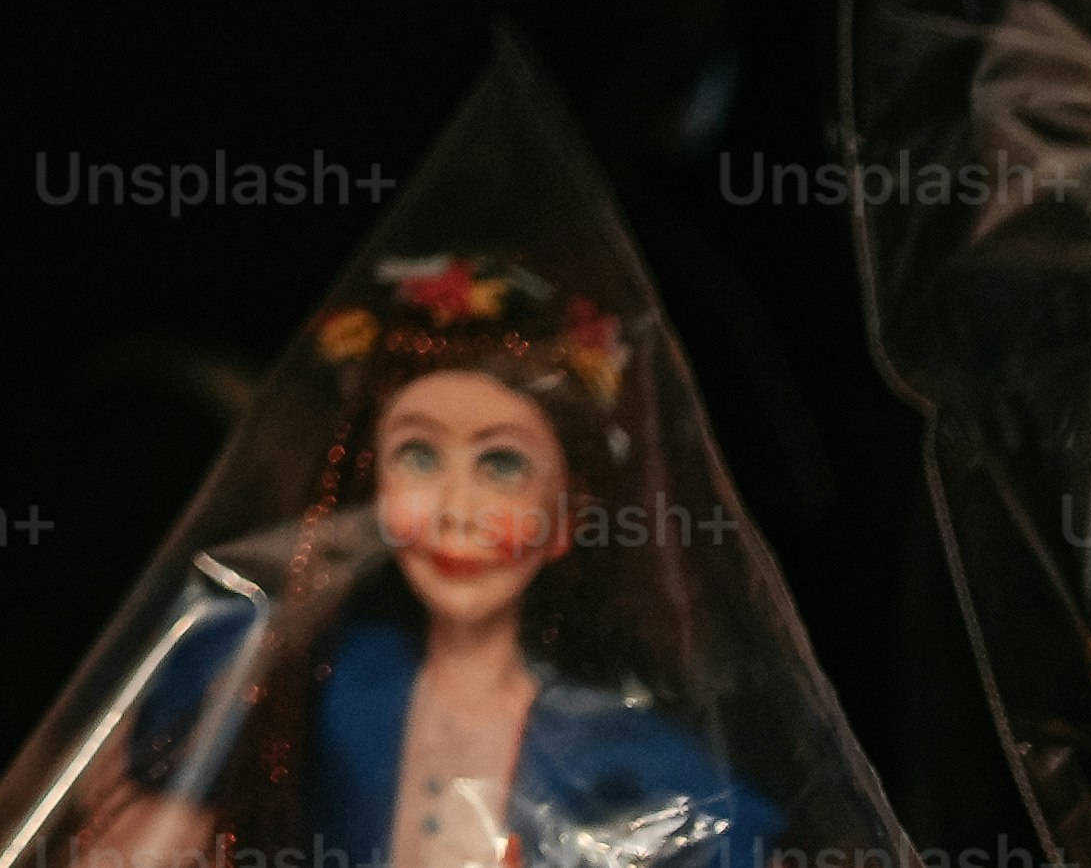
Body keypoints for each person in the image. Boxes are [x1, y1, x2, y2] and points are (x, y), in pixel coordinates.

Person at [69, 259, 781, 868]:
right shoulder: (313, 681)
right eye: (418, 456)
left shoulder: (633, 762)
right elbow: (135, 786)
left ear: (566, 519)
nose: (453, 507)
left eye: (499, 464)